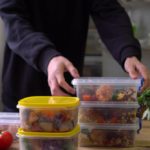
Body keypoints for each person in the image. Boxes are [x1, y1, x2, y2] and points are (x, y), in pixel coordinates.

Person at [0, 0, 149, 112]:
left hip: (68, 91)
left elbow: (108, 11)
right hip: (22, 94)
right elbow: (14, 23)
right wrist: (48, 57)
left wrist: (128, 53)